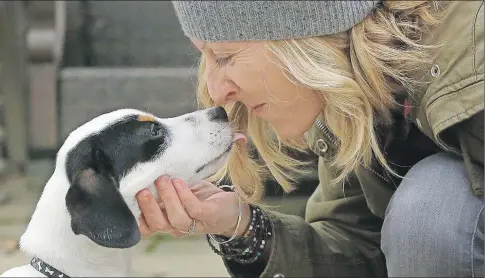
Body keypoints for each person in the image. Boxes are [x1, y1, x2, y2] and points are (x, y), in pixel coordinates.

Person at [136, 1, 484, 277]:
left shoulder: (473, 64)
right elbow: (362, 253)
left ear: (302, 32)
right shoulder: (357, 97)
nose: (216, 91)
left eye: (224, 56)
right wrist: (240, 226)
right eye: (205, 57)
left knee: (435, 204)